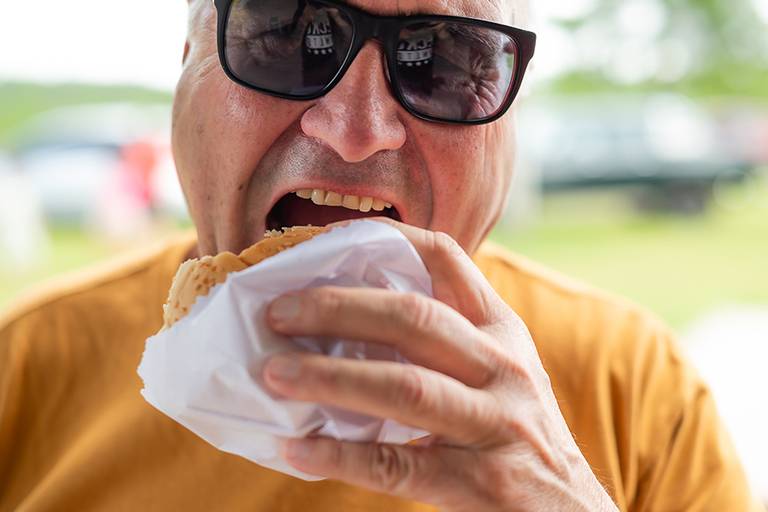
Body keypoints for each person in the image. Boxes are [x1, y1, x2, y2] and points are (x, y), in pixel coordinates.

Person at [0, 1, 763, 511]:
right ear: (186, 63)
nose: (356, 130)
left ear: (513, 122)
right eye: (288, 32)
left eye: (446, 60)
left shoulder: (634, 391)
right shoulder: (23, 372)